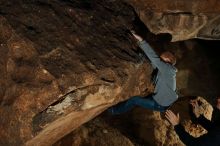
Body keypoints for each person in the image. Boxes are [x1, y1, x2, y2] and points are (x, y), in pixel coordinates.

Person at [108, 30, 178, 114]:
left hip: (160, 104)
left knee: (134, 100)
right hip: (161, 99)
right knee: (141, 96)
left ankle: (114, 111)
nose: (159, 60)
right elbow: (153, 63)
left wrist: (142, 41)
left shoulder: (167, 69)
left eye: (161, 59)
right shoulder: (167, 70)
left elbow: (154, 58)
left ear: (167, 60)